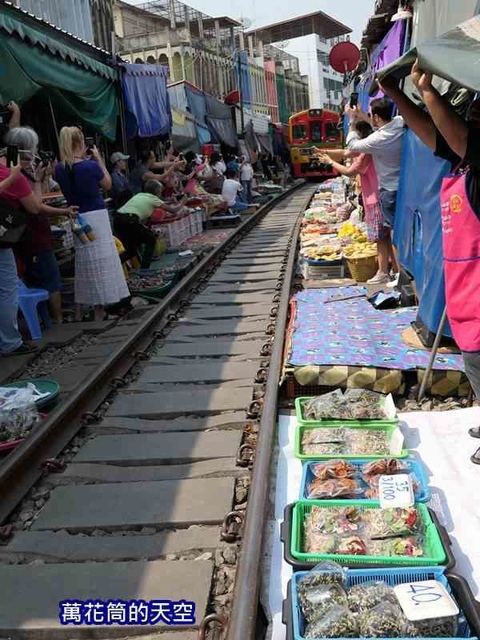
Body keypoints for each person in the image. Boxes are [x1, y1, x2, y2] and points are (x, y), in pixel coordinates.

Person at [379, 61, 480, 452]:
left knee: (478, 361)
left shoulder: (475, 155)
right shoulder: (464, 162)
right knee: (474, 360)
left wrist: (426, 88)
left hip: (475, 282)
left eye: (476, 114)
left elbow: (456, 137)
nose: (470, 116)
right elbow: (432, 135)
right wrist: (397, 93)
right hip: (466, 283)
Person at [55, 126, 129, 321]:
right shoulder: (90, 166)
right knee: (101, 262)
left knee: (84, 262)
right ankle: (99, 309)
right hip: (96, 216)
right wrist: (99, 160)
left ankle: (80, 310)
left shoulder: (59, 168)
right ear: (80, 142)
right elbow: (108, 184)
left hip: (76, 217)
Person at [5, 124, 77, 323]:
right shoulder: (18, 174)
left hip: (16, 234)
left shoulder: (9, 165)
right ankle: (57, 321)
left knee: (29, 279)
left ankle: (42, 320)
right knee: (50, 279)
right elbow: (36, 207)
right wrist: (37, 179)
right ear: (27, 149)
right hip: (31, 233)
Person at [345, 98, 404, 285]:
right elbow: (381, 125)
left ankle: (399, 274)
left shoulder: (377, 140)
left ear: (377, 117)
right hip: (406, 186)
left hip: (389, 190)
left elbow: (352, 145)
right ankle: (400, 271)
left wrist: (352, 121)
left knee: (393, 232)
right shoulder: (400, 123)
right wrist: (362, 115)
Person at [317, 121, 388, 275]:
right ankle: (392, 270)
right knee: (386, 237)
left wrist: (329, 162)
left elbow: (349, 171)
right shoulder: (371, 147)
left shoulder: (365, 155)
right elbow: (345, 153)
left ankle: (383, 272)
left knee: (380, 238)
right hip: (379, 195)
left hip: (374, 198)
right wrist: (324, 151)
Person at [0, 161, 41, 356]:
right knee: (7, 290)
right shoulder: (8, 172)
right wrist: (13, 176)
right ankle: (10, 343)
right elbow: (35, 207)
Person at [116, 180, 188, 269]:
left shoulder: (140, 195)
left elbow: (139, 211)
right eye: (160, 191)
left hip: (118, 220)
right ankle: (144, 269)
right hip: (129, 219)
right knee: (151, 239)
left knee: (132, 250)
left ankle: (113, 266)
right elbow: (173, 210)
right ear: (157, 191)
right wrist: (183, 203)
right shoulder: (153, 199)